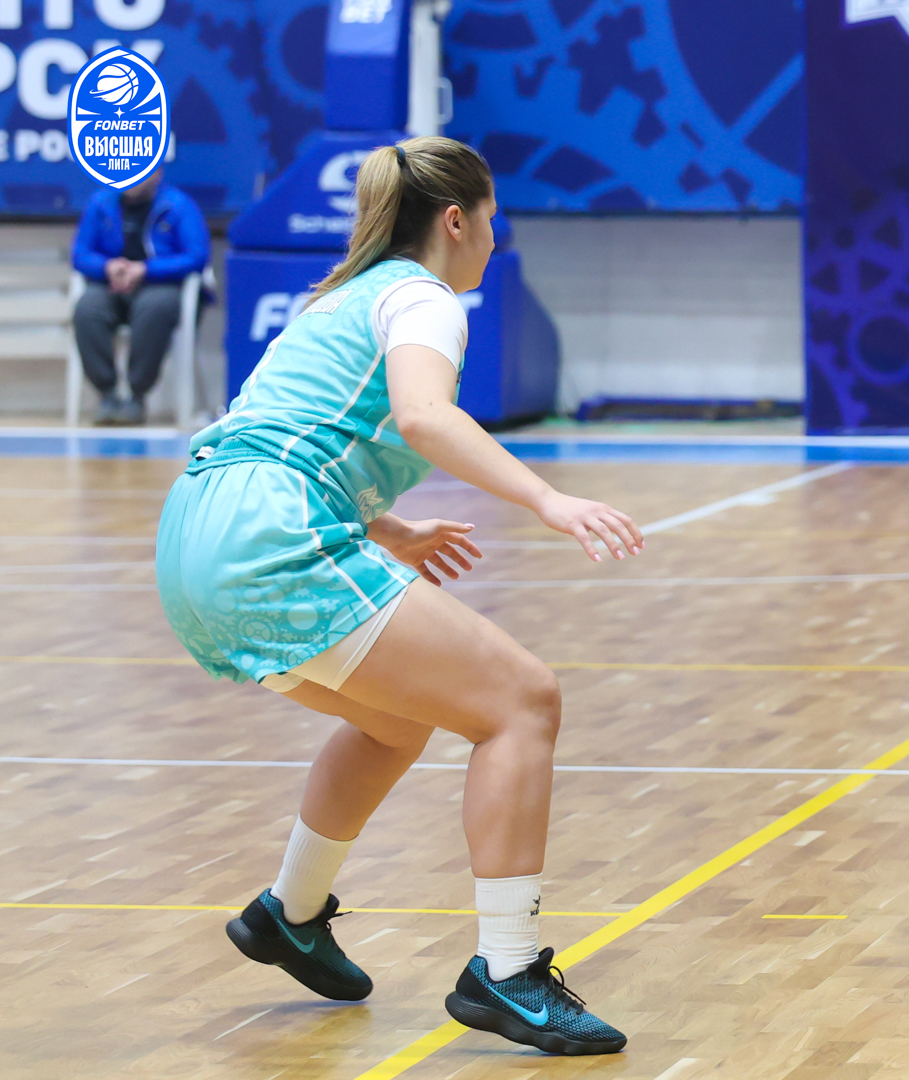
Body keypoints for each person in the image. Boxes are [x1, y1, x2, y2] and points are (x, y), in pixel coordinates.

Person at [155, 137, 644, 1054]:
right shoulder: (424, 296)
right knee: (523, 701)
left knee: (395, 722)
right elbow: (423, 414)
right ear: (456, 220)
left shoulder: (340, 299)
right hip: (273, 538)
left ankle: (291, 913)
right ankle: (508, 971)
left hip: (195, 539)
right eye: (492, 218)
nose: (494, 236)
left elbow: (270, 434)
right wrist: (547, 498)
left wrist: (385, 529)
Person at [71, 167, 210, 425]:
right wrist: (108, 267)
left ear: (157, 172)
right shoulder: (101, 203)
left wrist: (145, 270)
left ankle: (137, 396)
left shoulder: (178, 205)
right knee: (87, 308)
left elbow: (197, 256)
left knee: (154, 307)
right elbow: (80, 254)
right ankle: (108, 394)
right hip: (111, 286)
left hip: (161, 285)